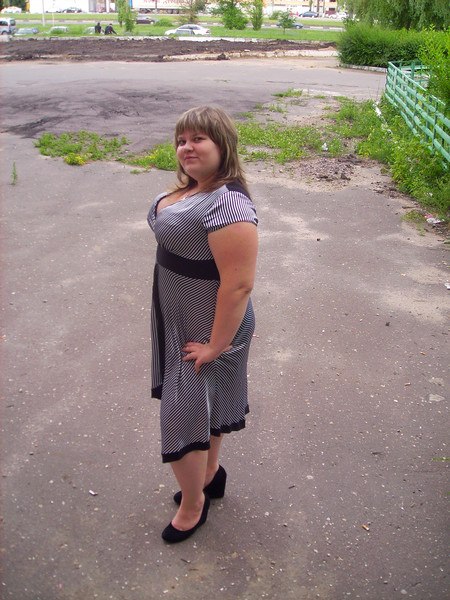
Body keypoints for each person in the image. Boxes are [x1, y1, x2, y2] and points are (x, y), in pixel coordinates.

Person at [147, 105, 258, 543]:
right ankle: (210, 476)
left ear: (222, 145)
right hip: (182, 317)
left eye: (198, 139)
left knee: (182, 415)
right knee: (204, 406)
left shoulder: (228, 202)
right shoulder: (194, 190)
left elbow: (238, 285)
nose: (186, 147)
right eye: (181, 140)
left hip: (209, 327)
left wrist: (216, 344)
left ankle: (194, 505)